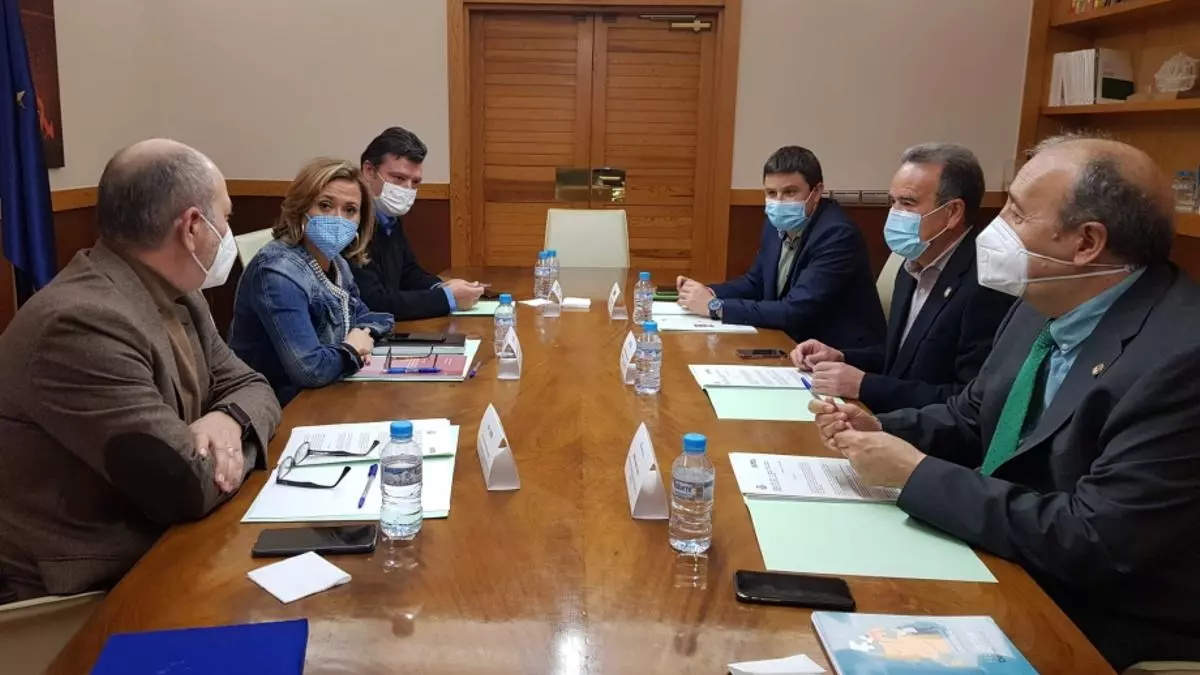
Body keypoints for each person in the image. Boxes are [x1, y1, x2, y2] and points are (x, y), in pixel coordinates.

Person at [811, 134, 1200, 670]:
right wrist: (882, 427)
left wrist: (916, 473)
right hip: (1005, 558)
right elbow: (975, 415)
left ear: (1086, 242)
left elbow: (1095, 540)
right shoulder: (1041, 302)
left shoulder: (1181, 358)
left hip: (1094, 617)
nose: (994, 228)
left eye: (1016, 213)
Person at [0, 139, 282, 601]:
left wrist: (228, 418)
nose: (228, 233)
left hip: (169, 547)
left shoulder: (182, 294)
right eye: (226, 218)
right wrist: (240, 443)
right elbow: (184, 485)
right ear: (193, 226)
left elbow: (252, 384)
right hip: (88, 593)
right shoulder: (79, 322)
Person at [791, 143, 1014, 413]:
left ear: (953, 212)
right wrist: (841, 356)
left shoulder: (986, 284)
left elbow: (968, 401)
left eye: (907, 203)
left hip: (921, 432)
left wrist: (865, 385)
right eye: (892, 202)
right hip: (888, 419)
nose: (894, 214)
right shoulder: (911, 264)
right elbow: (901, 359)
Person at [676, 146, 885, 347]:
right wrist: (708, 292)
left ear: (817, 191)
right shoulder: (775, 223)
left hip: (837, 353)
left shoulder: (836, 235)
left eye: (790, 192)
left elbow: (795, 310)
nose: (779, 202)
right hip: (790, 341)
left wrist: (715, 307)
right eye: (771, 193)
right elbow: (756, 282)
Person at [229, 158, 395, 405]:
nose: (338, 218)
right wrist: (351, 350)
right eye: (325, 206)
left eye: (350, 210)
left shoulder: (337, 263)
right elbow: (310, 370)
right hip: (276, 406)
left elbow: (376, 318)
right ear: (301, 208)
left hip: (324, 394)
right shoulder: (277, 272)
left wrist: (359, 337)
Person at [353, 126, 485, 319]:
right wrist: (446, 298)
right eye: (398, 178)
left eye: (415, 182)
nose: (407, 189)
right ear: (369, 171)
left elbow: (408, 273)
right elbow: (373, 302)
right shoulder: (350, 223)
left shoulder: (389, 218)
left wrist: (441, 286)